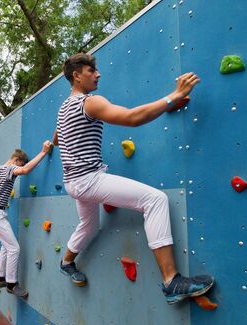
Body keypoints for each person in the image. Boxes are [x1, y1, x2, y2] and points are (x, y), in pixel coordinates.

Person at [53, 53, 214, 304]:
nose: (98, 74)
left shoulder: (64, 108)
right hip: (88, 179)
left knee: (89, 225)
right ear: (76, 76)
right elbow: (132, 118)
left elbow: (57, 136)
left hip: (73, 182)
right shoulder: (90, 102)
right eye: (90, 70)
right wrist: (174, 95)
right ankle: (171, 281)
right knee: (155, 200)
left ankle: (66, 262)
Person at [0, 143, 52, 298]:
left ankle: (0, 278)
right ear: (16, 160)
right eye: (20, 163)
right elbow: (26, 170)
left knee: (5, 245)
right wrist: (43, 152)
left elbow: (21, 169)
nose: (19, 168)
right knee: (14, 248)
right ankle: (12, 284)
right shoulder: (9, 169)